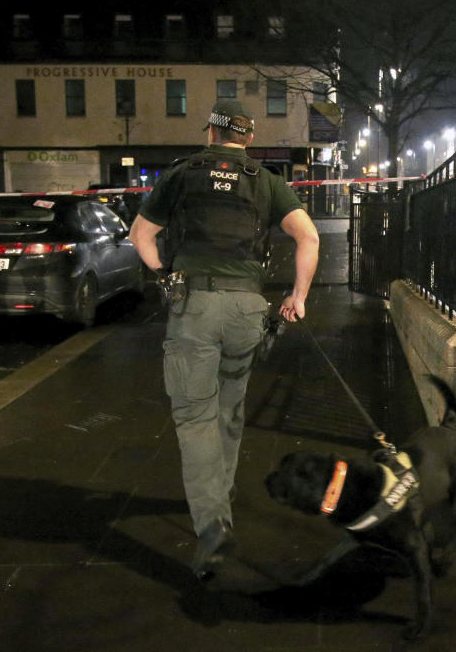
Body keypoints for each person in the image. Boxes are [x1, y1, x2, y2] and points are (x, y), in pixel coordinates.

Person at [129, 100, 319, 579]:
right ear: (248, 139)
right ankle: (222, 494)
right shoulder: (267, 181)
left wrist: (164, 275)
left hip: (195, 308)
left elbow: (141, 235)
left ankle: (212, 527)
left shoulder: (181, 174)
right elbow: (309, 238)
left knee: (195, 418)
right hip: (247, 311)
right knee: (231, 410)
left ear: (211, 134)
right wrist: (297, 297)